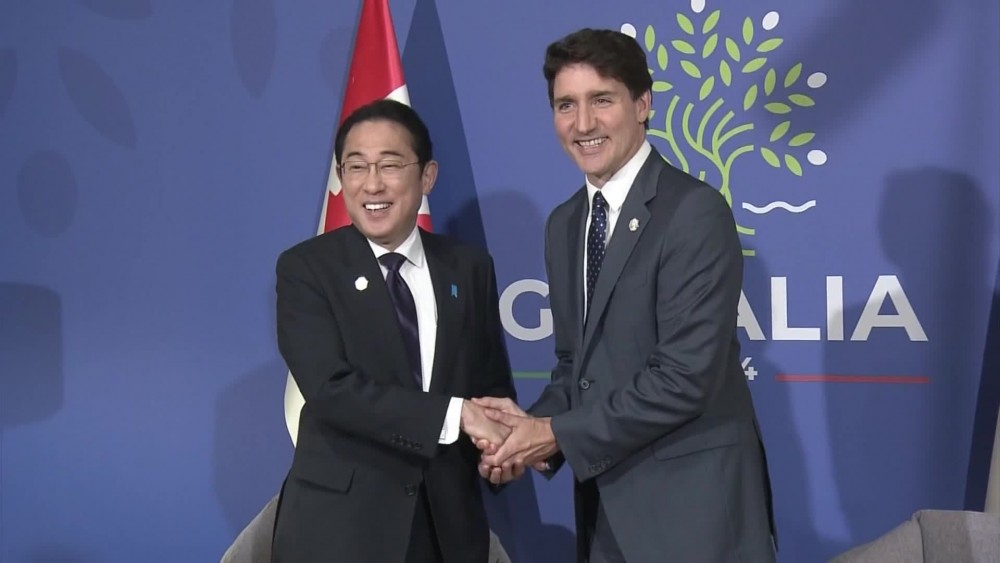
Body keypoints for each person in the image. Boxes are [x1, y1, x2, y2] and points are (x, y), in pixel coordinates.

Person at [474, 28, 776, 562]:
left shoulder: (693, 212)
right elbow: (577, 367)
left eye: (601, 100)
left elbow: (684, 378)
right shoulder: (565, 223)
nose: (583, 124)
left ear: (642, 104)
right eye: (566, 105)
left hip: (694, 517)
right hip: (606, 516)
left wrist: (553, 433)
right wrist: (524, 434)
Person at [272, 98, 516, 563]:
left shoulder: (468, 267)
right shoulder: (307, 269)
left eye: (389, 165)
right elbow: (330, 389)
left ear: (427, 176)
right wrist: (457, 415)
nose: (372, 184)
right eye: (356, 167)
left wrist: (501, 449)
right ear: (340, 178)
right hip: (342, 531)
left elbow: (488, 384)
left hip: (448, 530)